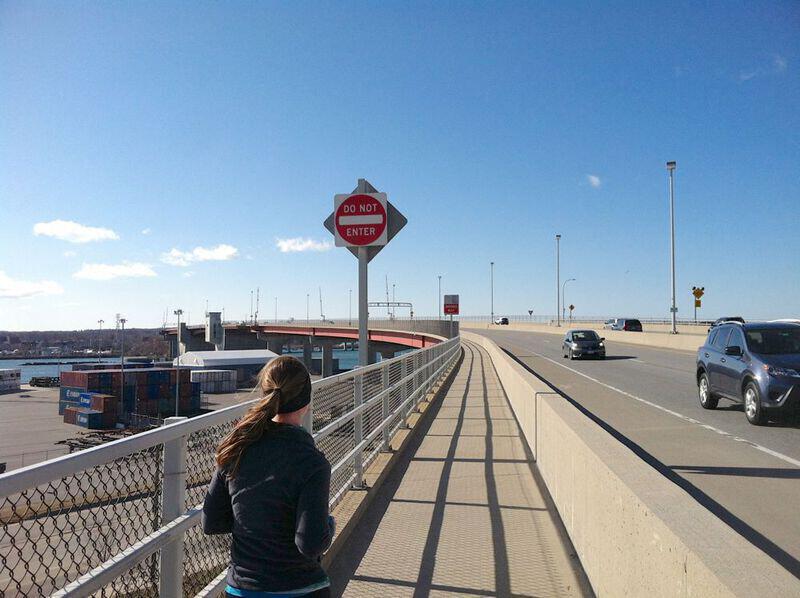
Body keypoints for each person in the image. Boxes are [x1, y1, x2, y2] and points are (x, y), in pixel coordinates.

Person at [203, 356, 335, 597]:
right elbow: (310, 544)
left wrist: (256, 520)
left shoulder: (235, 448)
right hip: (299, 589)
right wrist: (329, 526)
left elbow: (211, 522)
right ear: (306, 401)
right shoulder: (313, 462)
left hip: (241, 589)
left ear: (264, 394)